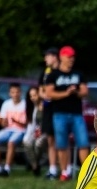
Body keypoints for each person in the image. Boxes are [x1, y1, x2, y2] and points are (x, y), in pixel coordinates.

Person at [45, 45, 90, 182]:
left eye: (73, 57)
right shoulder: (53, 75)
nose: (71, 59)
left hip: (76, 114)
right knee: (62, 144)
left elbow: (85, 91)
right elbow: (49, 93)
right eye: (69, 56)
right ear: (62, 57)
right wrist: (66, 93)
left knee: (83, 142)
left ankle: (86, 172)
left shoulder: (78, 74)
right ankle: (65, 171)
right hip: (59, 114)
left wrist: (75, 92)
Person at [0, 83, 28, 177]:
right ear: (10, 93)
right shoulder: (6, 104)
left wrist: (15, 121)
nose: (15, 94)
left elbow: (26, 124)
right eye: (13, 92)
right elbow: (2, 121)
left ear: (20, 93)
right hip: (8, 129)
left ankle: (7, 168)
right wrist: (4, 123)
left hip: (20, 130)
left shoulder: (25, 104)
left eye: (17, 92)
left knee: (11, 142)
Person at [38, 48, 60, 179]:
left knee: (61, 140)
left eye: (47, 56)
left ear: (55, 57)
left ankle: (64, 168)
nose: (45, 59)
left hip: (59, 109)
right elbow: (40, 89)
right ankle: (52, 168)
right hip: (48, 109)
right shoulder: (45, 73)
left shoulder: (60, 72)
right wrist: (44, 95)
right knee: (50, 139)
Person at [24, 86, 48, 177]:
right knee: (26, 142)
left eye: (35, 95)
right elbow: (31, 125)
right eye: (31, 96)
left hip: (45, 132)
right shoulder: (31, 107)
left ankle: (33, 164)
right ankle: (35, 165)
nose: (33, 98)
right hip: (34, 131)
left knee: (38, 144)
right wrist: (30, 135)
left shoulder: (45, 105)